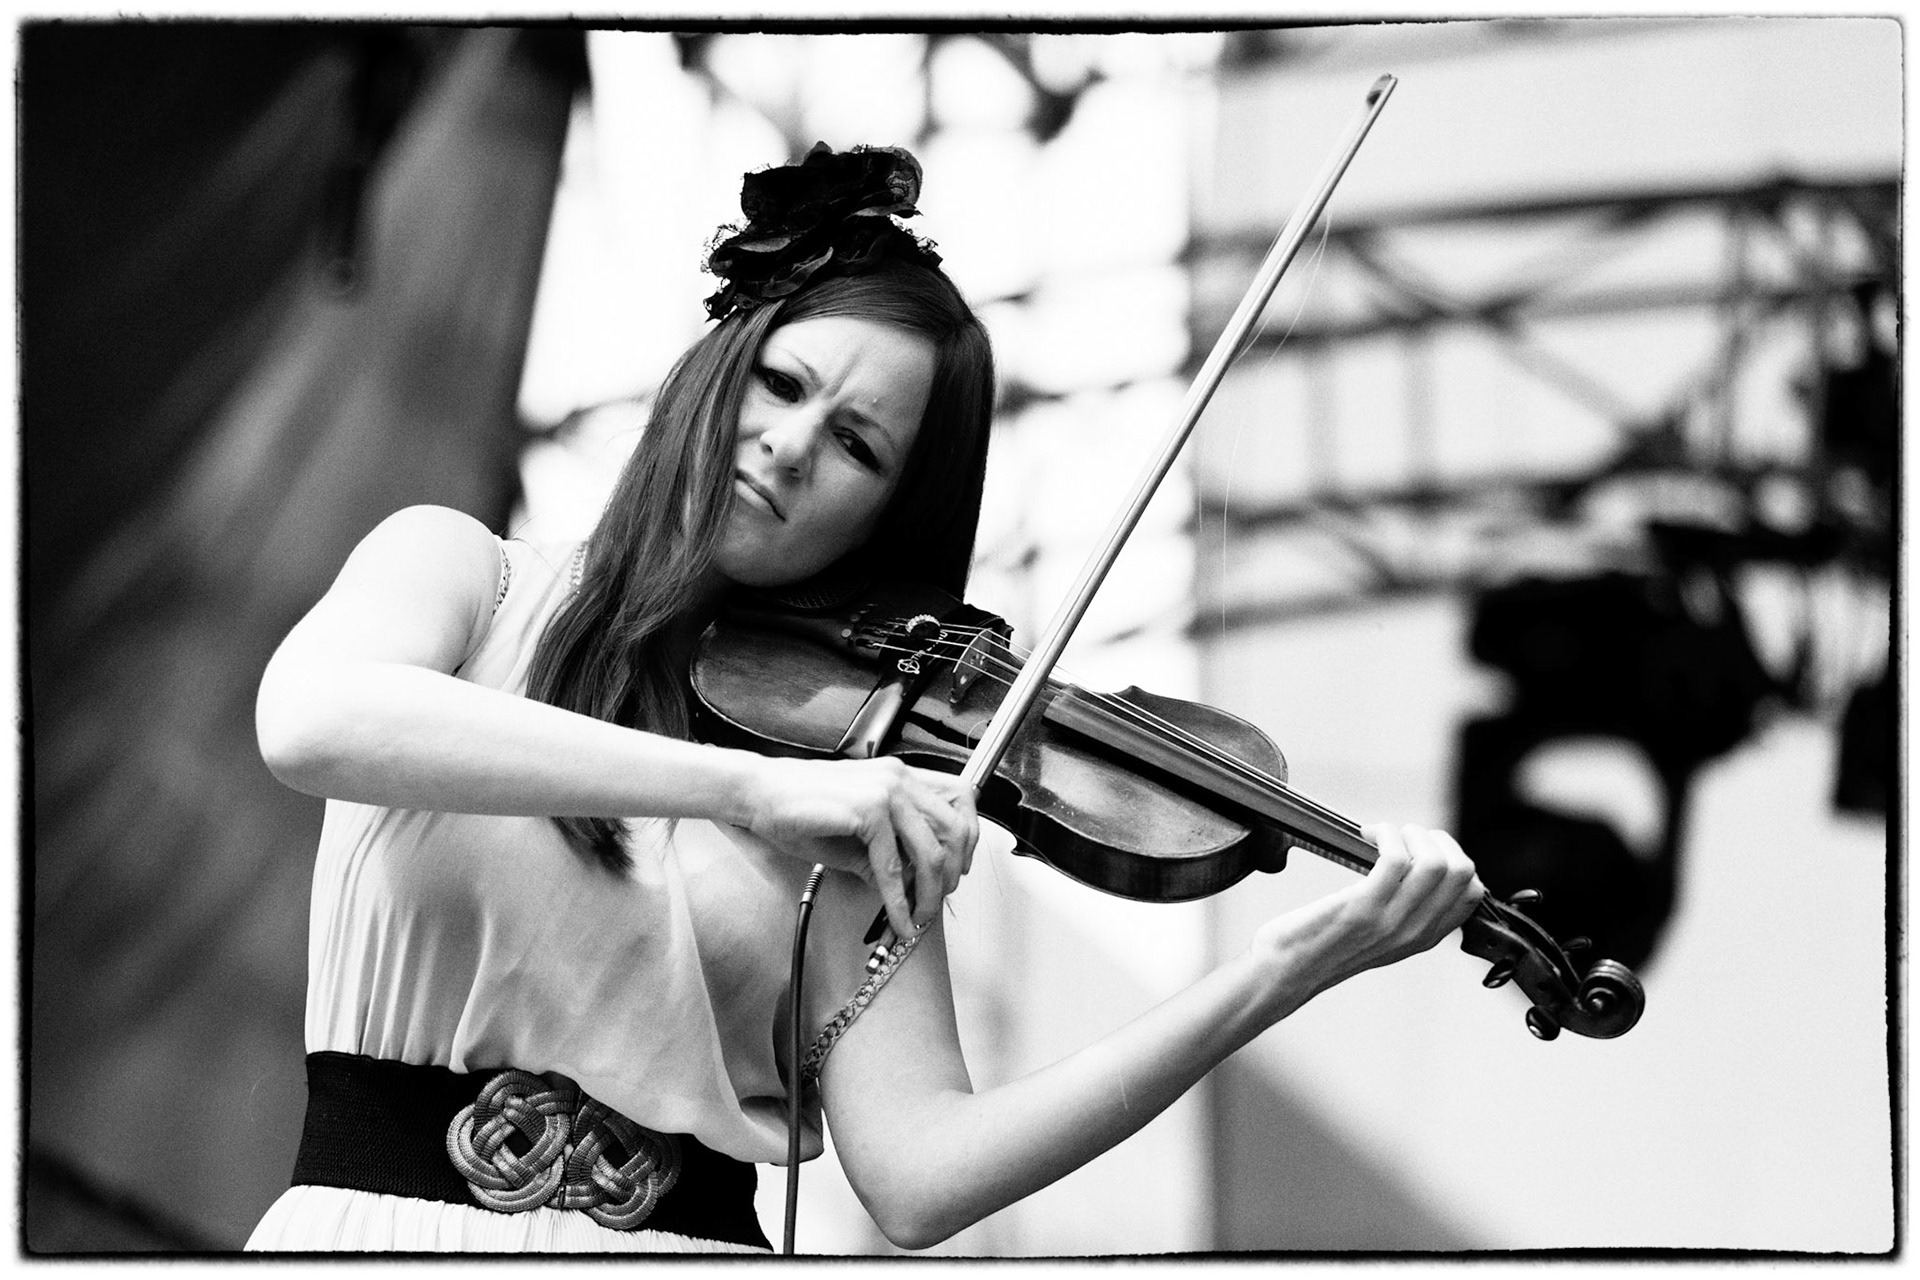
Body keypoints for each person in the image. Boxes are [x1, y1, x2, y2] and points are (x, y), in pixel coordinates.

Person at [245, 143, 1483, 1254]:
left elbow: (922, 1178)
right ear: (717, 367)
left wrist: (1271, 977)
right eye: (783, 385)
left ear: (889, 515)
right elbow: (311, 722)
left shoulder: (861, 787)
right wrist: (749, 789)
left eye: (858, 445)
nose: (791, 446)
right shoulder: (466, 574)